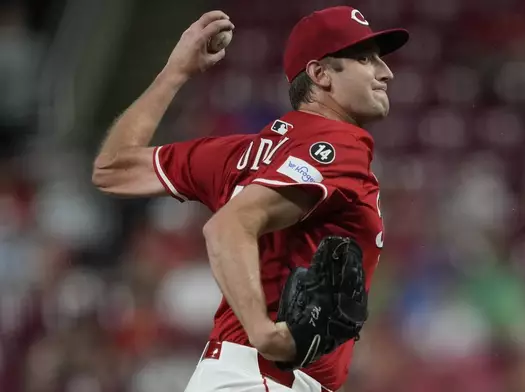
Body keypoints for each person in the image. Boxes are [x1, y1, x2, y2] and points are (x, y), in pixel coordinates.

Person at [92, 6, 408, 392]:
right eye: (364, 58)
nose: (385, 71)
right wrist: (264, 332)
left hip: (240, 373)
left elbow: (113, 168)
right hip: (262, 376)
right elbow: (227, 226)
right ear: (320, 74)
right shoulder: (336, 145)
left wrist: (172, 75)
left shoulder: (241, 154)